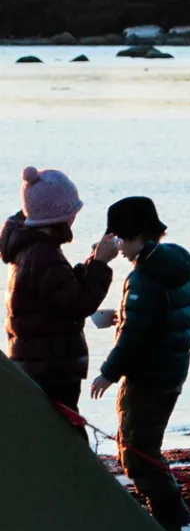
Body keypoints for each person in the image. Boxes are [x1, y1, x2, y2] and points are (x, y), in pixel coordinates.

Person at [89, 196, 190, 531]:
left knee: (135, 450)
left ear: (136, 234)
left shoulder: (145, 277)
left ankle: (168, 523)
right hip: (171, 371)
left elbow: (136, 337)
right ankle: (171, 517)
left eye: (118, 238)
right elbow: (161, 318)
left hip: (148, 377)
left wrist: (108, 371)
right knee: (145, 445)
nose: (116, 247)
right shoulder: (173, 265)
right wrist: (120, 317)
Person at [3, 167, 115, 408]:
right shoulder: (43, 255)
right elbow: (78, 303)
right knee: (63, 434)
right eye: (72, 212)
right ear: (58, 217)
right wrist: (100, 264)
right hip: (50, 369)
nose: (74, 217)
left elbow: (59, 293)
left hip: (36, 363)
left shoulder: (31, 250)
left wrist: (89, 264)